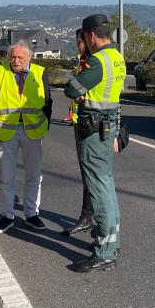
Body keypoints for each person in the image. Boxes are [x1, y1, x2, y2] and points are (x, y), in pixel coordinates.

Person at [63, 14, 126, 273]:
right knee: (107, 187)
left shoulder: (98, 61)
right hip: (107, 127)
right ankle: (111, 242)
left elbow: (71, 89)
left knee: (98, 190)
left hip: (94, 130)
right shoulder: (118, 58)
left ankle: (105, 252)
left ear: (90, 36)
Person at [0, 40, 52, 233]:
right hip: (6, 131)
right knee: (6, 177)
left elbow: (47, 101)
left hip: (33, 130)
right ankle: (6, 215)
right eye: (13, 56)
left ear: (29, 57)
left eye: (20, 57)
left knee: (34, 175)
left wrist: (44, 124)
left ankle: (32, 214)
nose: (15, 60)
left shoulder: (40, 72)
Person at [61, 29, 93, 236]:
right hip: (80, 121)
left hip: (91, 123)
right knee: (86, 174)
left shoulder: (93, 63)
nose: (77, 45)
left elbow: (78, 90)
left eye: (78, 42)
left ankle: (90, 217)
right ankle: (87, 215)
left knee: (91, 174)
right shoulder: (83, 61)